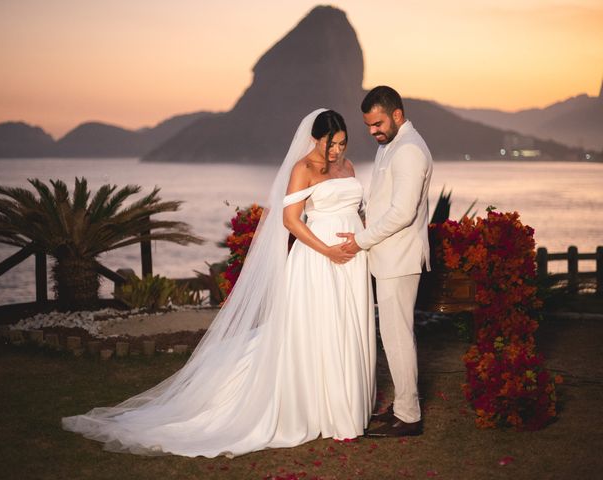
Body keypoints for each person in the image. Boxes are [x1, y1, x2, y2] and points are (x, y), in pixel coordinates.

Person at [62, 109, 376, 457]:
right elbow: (290, 220)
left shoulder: (347, 168)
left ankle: (349, 403)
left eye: (342, 143)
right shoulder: (302, 168)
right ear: (315, 139)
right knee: (319, 329)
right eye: (330, 144)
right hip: (319, 258)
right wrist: (328, 250)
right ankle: (325, 410)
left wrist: (362, 233)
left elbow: (355, 208)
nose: (336, 151)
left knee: (349, 325)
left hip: (353, 257)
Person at [339, 86, 433, 437]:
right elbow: (381, 202)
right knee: (392, 334)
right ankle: (402, 406)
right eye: (368, 125)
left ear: (397, 114)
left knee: (397, 336)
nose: (372, 131)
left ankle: (409, 417)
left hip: (400, 256)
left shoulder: (409, 150)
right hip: (388, 255)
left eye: (377, 123)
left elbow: (402, 213)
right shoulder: (390, 145)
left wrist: (360, 241)